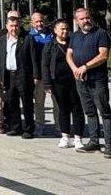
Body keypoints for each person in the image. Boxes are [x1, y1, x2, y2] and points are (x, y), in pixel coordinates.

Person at [67, 7, 111, 158]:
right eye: (81, 19)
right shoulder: (75, 36)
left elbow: (103, 55)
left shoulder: (100, 34)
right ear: (76, 21)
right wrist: (75, 69)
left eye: (87, 17)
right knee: (89, 112)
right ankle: (94, 141)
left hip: (97, 80)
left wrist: (85, 67)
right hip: (80, 80)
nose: (85, 21)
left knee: (104, 112)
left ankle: (109, 145)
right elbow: (69, 54)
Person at [42, 19, 85, 149]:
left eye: (66, 28)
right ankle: (65, 136)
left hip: (75, 81)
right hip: (58, 82)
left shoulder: (74, 43)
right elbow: (45, 65)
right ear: (55, 30)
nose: (65, 31)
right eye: (62, 29)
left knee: (77, 108)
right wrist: (47, 84)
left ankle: (78, 138)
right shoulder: (50, 46)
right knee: (63, 109)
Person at [0, 15, 35, 138]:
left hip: (23, 75)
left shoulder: (27, 39)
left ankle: (28, 129)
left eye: (16, 26)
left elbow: (33, 59)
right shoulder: (1, 40)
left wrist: (35, 76)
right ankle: (15, 127)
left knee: (27, 103)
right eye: (11, 26)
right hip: (8, 75)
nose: (14, 28)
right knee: (11, 102)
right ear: (6, 26)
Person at [29, 12, 58, 135]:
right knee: (39, 102)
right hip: (39, 76)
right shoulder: (29, 36)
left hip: (53, 74)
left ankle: (60, 127)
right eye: (36, 21)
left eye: (41, 21)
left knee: (57, 102)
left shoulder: (52, 34)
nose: (39, 23)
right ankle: (40, 125)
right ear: (32, 23)